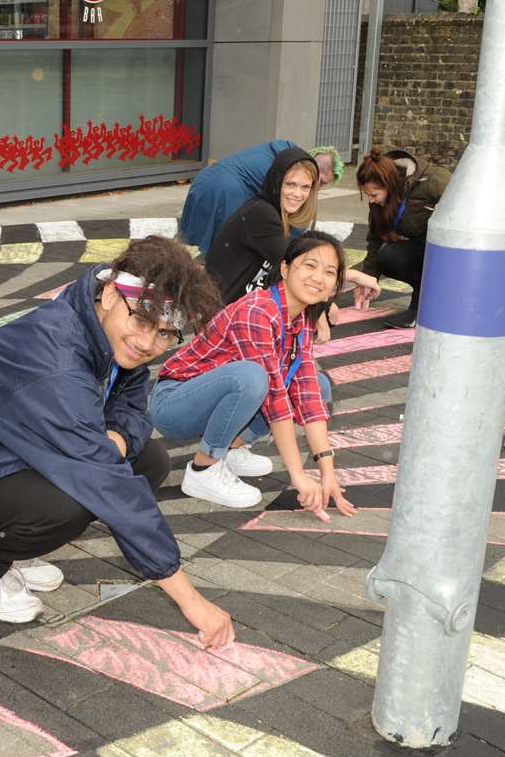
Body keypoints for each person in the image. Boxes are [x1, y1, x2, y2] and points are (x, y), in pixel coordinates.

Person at [0, 236, 235, 649]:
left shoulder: (96, 318)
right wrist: (191, 600)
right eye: (142, 322)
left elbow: (130, 396)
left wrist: (121, 440)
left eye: (166, 334)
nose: (148, 343)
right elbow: (104, 481)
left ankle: (0, 540)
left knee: (148, 460)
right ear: (111, 294)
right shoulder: (56, 358)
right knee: (74, 498)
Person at [153, 232, 357, 518]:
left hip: (218, 399)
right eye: (310, 265)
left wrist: (327, 471)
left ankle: (231, 449)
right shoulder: (258, 311)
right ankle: (203, 468)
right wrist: (297, 476)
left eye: (329, 272)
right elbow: (273, 396)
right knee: (252, 377)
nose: (318, 277)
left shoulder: (301, 319)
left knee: (318, 384)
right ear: (285, 269)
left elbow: (307, 390)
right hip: (175, 403)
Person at [347, 146, 451, 328]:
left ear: (390, 185)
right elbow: (375, 238)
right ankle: (426, 301)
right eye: (367, 195)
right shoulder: (381, 201)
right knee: (387, 256)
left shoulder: (436, 182)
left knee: (429, 258)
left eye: (374, 195)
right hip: (420, 246)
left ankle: (426, 305)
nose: (371, 200)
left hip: (450, 251)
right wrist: (368, 278)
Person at [179, 140, 341, 254]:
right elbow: (288, 222)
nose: (317, 189)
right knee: (226, 252)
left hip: (205, 178)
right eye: (323, 183)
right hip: (228, 192)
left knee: (203, 249)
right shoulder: (290, 169)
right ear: (318, 174)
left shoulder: (281, 151)